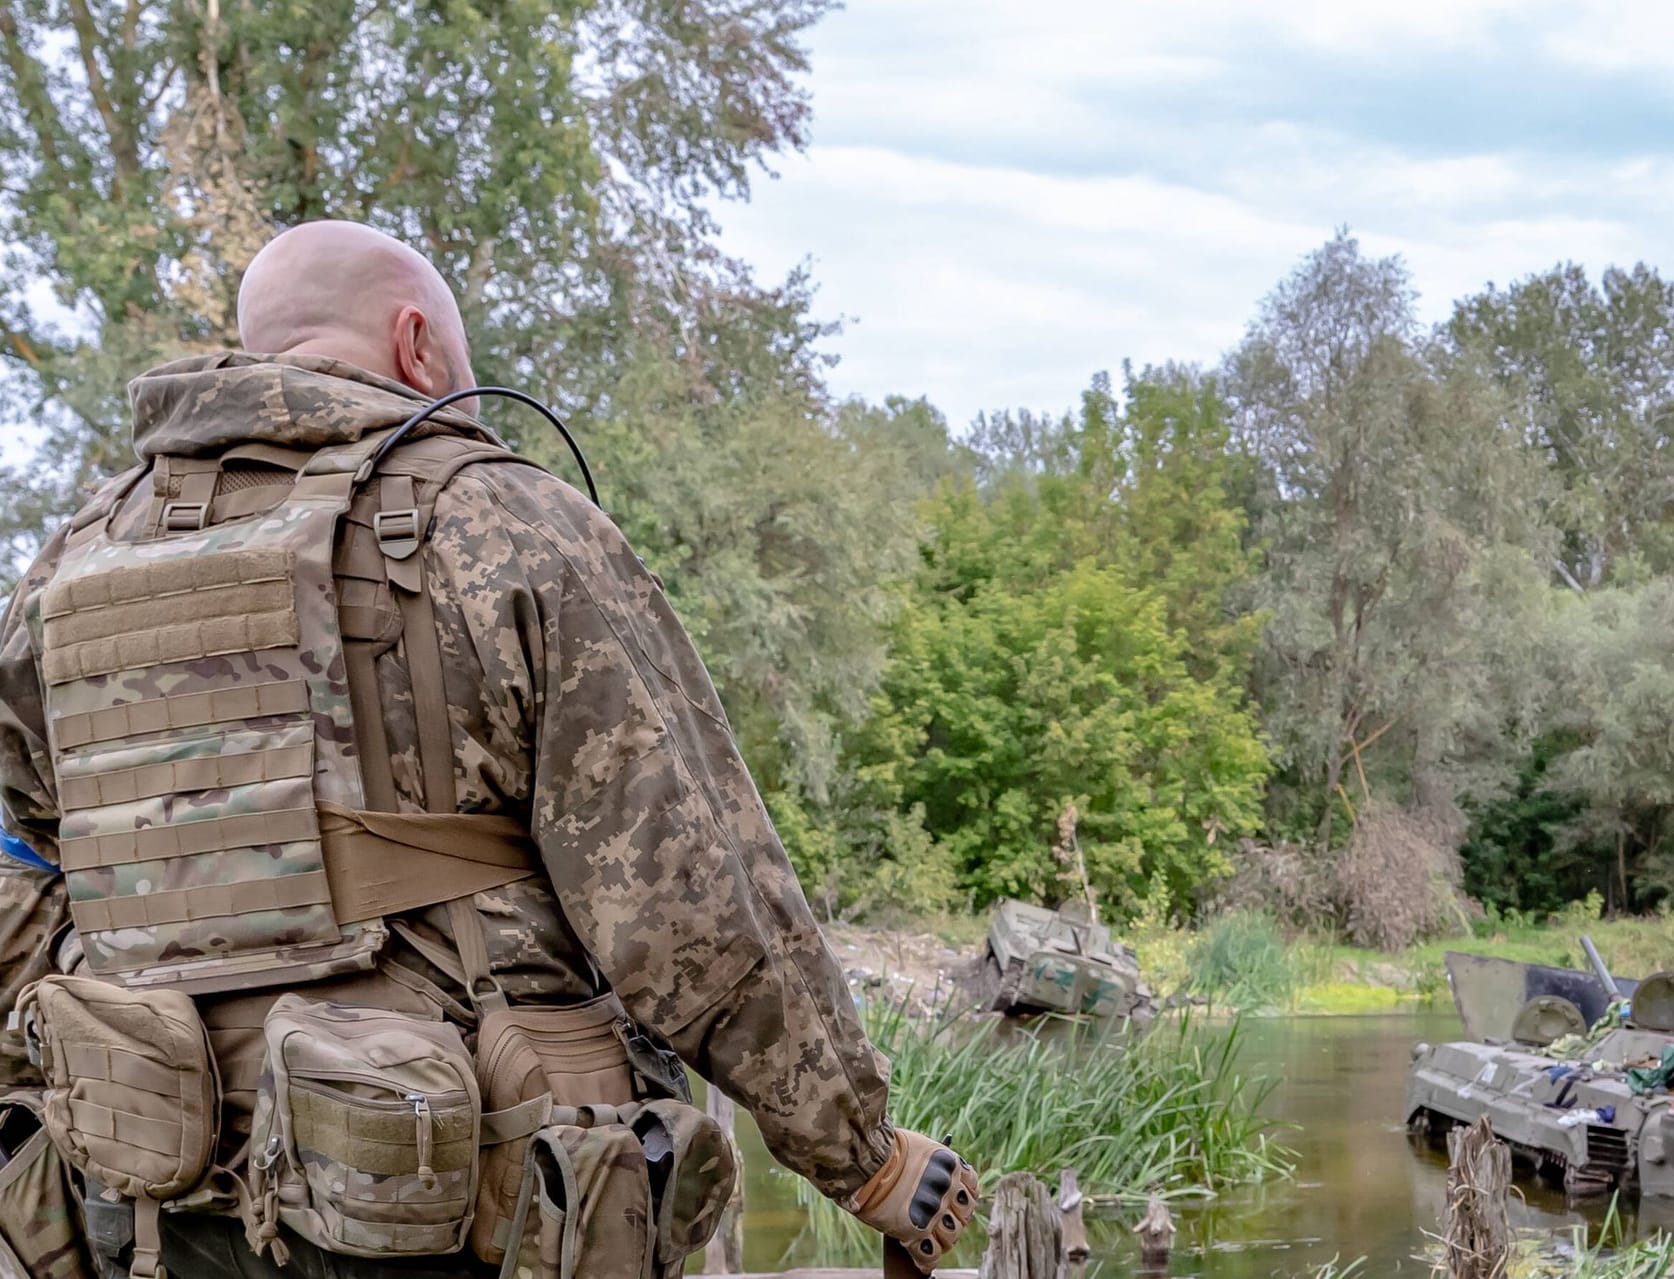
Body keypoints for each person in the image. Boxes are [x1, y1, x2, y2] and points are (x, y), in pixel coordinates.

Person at [0, 221, 975, 1278]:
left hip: (158, 1185)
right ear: (418, 345)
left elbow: (34, 854)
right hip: (456, 1192)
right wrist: (862, 1156)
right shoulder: (500, 520)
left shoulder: (70, 564)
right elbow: (693, 899)